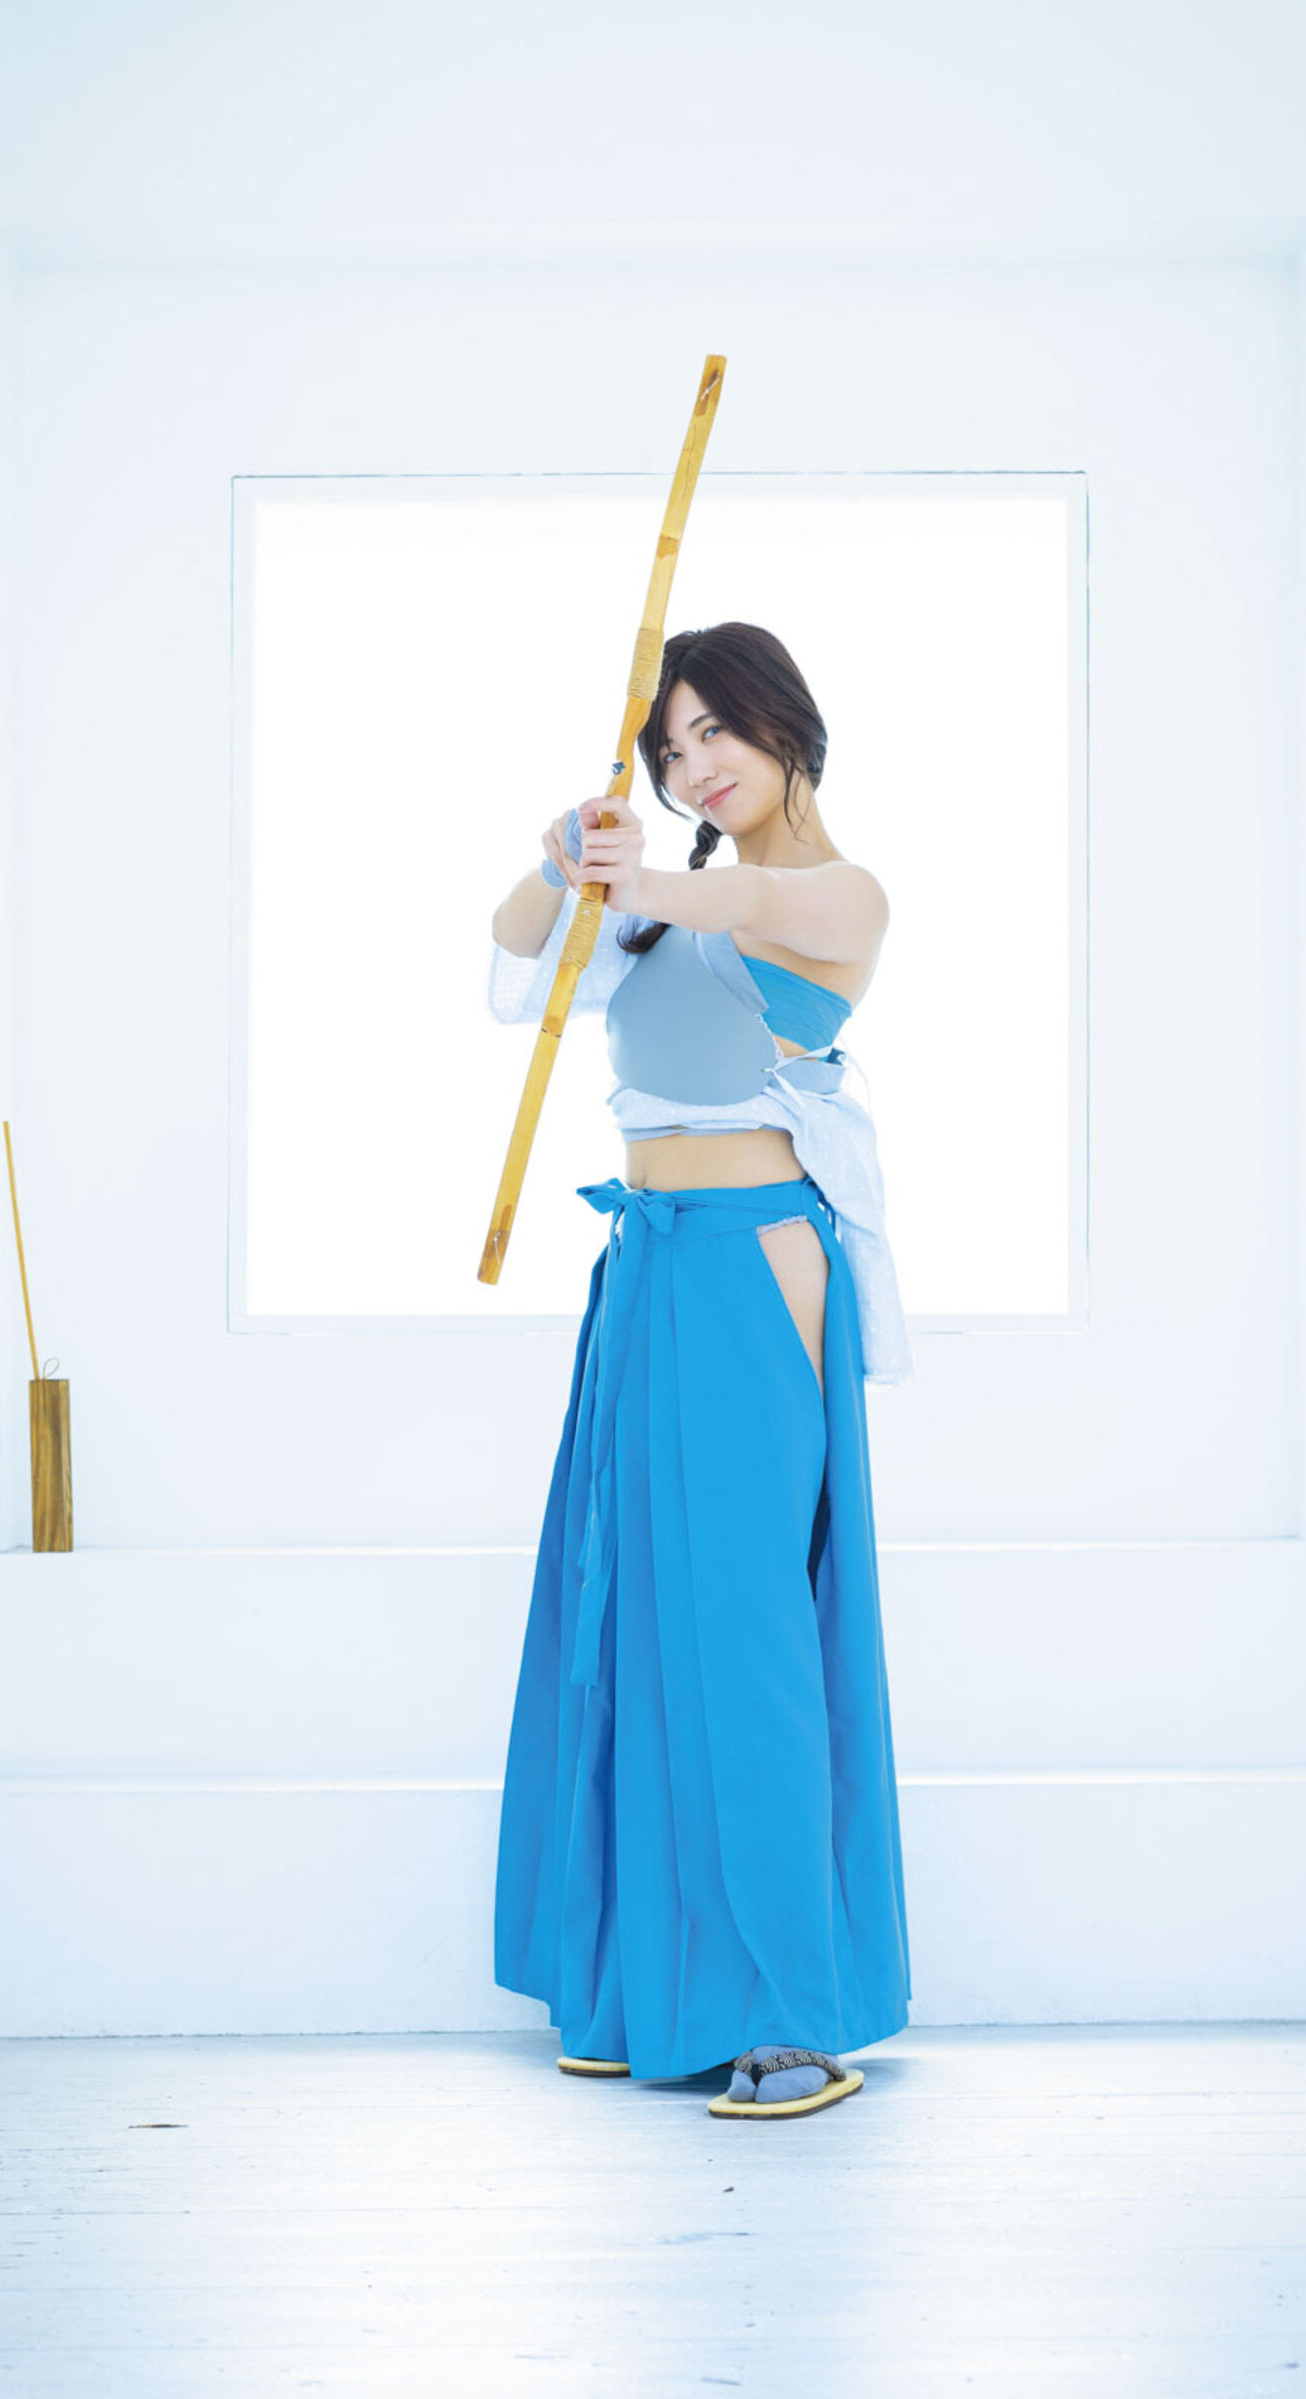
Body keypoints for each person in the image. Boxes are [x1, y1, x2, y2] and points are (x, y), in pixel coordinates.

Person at [487, 622, 913, 2120]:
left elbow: (741, 897)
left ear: (784, 723)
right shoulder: (653, 919)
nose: (694, 766)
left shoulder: (833, 894)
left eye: (715, 730)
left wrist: (632, 874)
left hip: (752, 1268)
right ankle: (643, 1993)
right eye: (671, 750)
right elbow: (512, 974)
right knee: (629, 1608)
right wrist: (558, 859)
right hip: (646, 1269)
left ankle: (791, 2016)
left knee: (745, 1627)